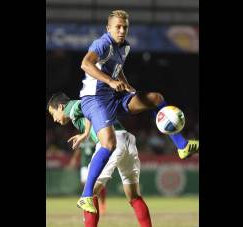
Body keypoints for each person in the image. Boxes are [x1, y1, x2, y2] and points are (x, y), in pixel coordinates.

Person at [78, 9, 199, 212]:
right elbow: (85, 64)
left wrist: (127, 85)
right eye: (118, 26)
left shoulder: (124, 47)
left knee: (155, 99)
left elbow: (118, 69)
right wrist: (110, 81)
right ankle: (86, 195)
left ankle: (182, 145)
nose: (122, 30)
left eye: (125, 26)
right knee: (109, 143)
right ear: (108, 28)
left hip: (114, 96)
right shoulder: (103, 43)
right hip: (94, 98)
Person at [47, 92, 153, 227]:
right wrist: (86, 132)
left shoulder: (71, 107)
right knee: (134, 196)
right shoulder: (77, 115)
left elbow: (87, 105)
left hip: (112, 141)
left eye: (52, 113)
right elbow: (92, 110)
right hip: (127, 139)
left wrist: (86, 133)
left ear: (60, 107)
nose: (54, 119)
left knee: (89, 195)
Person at [68, 138, 108, 215]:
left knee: (99, 184)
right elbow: (78, 151)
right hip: (84, 165)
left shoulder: (95, 137)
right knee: (85, 184)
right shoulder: (82, 138)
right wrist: (74, 159)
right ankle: (89, 203)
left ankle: (102, 203)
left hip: (95, 165)